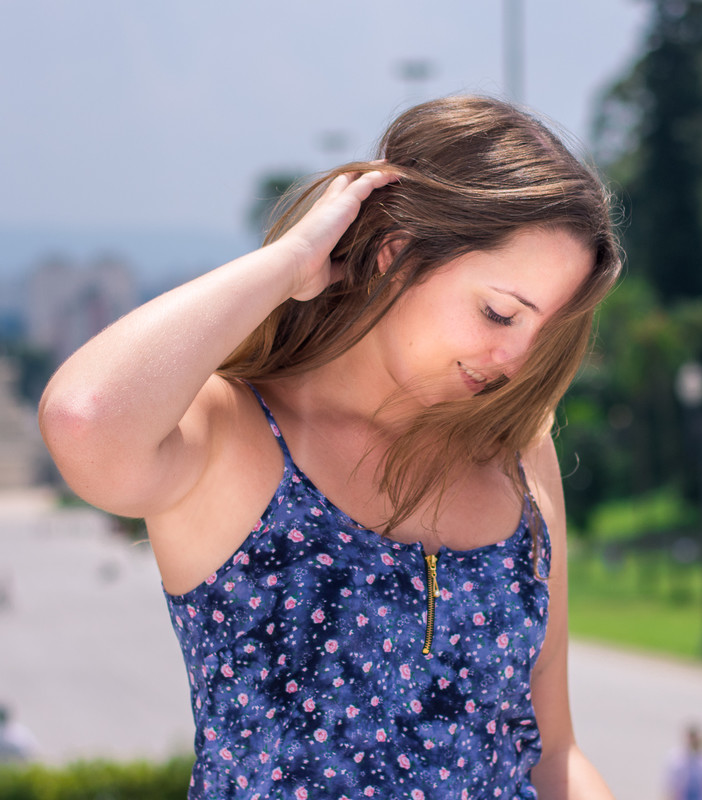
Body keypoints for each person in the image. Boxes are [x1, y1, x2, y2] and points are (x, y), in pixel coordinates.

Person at [39, 96, 622, 799]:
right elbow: (84, 419)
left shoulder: (516, 451)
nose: (517, 358)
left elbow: (552, 753)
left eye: (545, 331)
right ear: (396, 252)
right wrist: (290, 265)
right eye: (499, 312)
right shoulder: (236, 433)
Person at [664, 724, 702, 800]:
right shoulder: (674, 758)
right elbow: (670, 786)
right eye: (691, 737)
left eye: (695, 737)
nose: (693, 740)